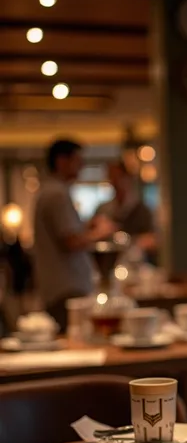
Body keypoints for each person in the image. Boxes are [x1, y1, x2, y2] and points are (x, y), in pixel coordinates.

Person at [33, 139, 115, 331]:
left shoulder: (51, 191)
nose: (82, 166)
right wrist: (101, 232)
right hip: (66, 289)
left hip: (60, 288)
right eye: (78, 160)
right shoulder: (56, 194)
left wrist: (87, 226)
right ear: (62, 161)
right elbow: (72, 241)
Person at [94, 161, 157, 253]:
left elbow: (152, 240)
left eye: (118, 177)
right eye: (111, 178)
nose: (115, 182)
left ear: (127, 178)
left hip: (134, 261)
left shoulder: (141, 210)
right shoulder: (103, 209)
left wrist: (129, 241)